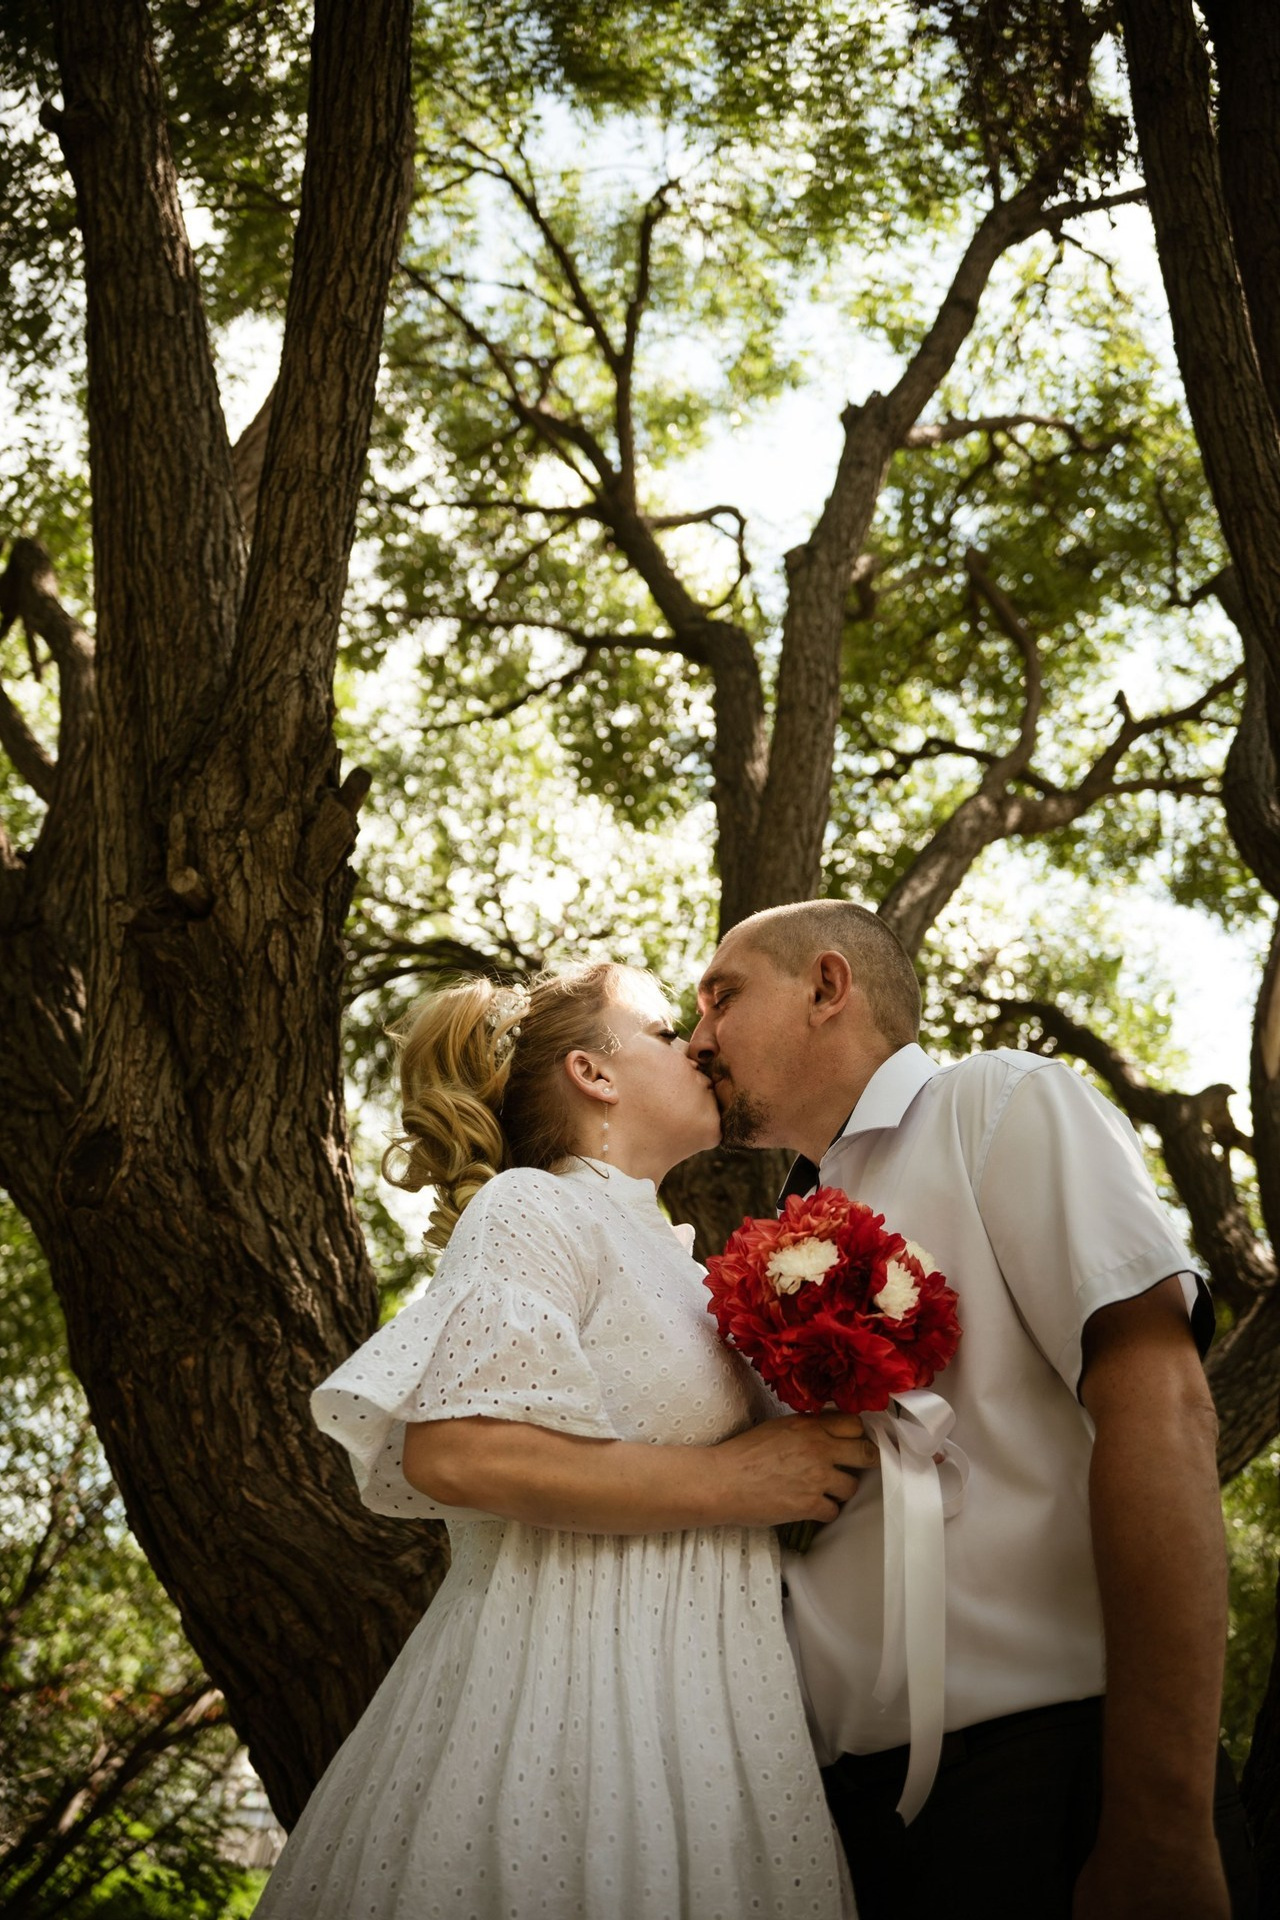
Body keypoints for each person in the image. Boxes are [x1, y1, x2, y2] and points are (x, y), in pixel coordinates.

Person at [256, 960, 867, 1920]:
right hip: (569, 1698)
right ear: (595, 1074)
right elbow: (459, 1451)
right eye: (667, 1031)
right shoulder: (534, 1205)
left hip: (711, 1707)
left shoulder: (676, 1254)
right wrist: (736, 1483)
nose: (699, 1046)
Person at [689, 900, 1257, 1920]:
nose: (696, 1040)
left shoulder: (996, 1104)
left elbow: (1163, 1409)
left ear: (827, 987)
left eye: (720, 998)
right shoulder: (771, 1237)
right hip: (840, 1834)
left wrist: (1160, 1822)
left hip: (1055, 1779)